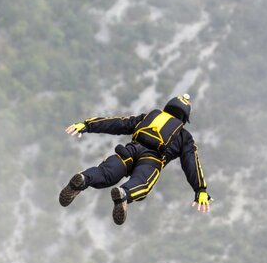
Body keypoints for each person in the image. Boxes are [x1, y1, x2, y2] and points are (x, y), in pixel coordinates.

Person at [59, 94, 211, 225]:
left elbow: (119, 123)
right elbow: (191, 162)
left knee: (106, 173)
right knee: (142, 184)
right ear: (184, 119)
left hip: (129, 151)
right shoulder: (184, 136)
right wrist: (200, 189)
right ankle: (124, 194)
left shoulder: (147, 117)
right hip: (152, 160)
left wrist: (87, 125)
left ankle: (84, 178)